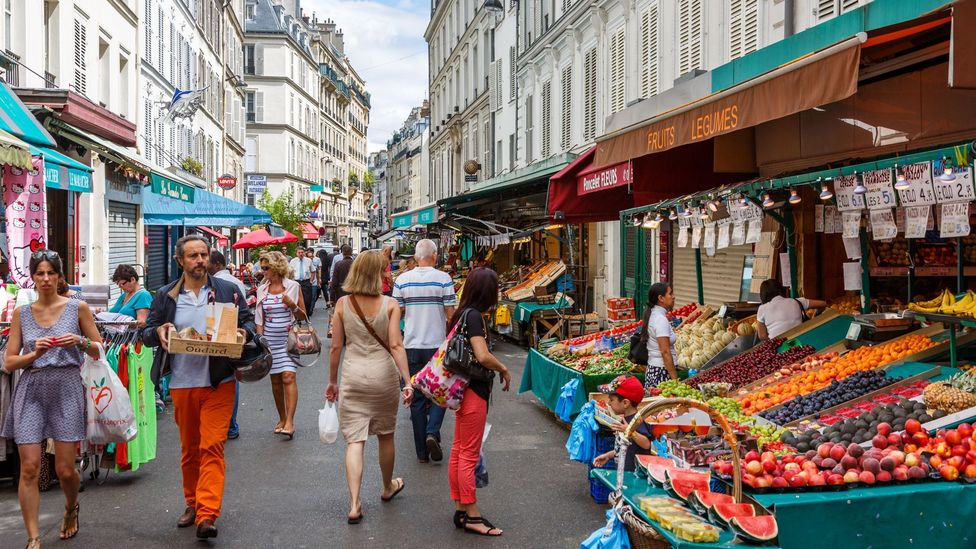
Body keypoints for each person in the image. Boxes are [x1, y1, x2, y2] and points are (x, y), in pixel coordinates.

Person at [142, 235, 256, 540]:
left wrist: (243, 333)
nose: (200, 260)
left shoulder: (228, 291)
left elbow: (250, 325)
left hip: (219, 381)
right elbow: (146, 333)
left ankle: (207, 514)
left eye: (204, 254)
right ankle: (192, 503)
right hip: (181, 383)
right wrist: (160, 330)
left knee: (212, 447)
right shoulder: (166, 295)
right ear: (180, 261)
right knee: (190, 450)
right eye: (193, 255)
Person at [1, 250, 103, 548]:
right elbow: (9, 362)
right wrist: (35, 354)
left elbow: (98, 349)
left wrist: (80, 341)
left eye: (50, 273)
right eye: (39, 274)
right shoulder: (22, 313)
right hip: (31, 388)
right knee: (30, 467)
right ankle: (33, 536)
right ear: (32, 278)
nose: (45, 279)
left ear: (59, 276)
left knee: (65, 470)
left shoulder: (77, 308)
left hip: (66, 387)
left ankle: (71, 508)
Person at [325, 250, 414, 524]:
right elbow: (397, 346)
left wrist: (332, 381)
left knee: (355, 441)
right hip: (383, 375)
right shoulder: (390, 304)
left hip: (353, 375)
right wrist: (407, 381)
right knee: (386, 435)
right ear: (377, 273)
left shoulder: (342, 304)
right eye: (384, 269)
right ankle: (387, 487)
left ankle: (354, 503)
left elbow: (336, 347)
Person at [446, 267, 512, 537]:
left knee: (459, 449)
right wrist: (503, 368)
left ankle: (461, 508)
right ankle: (472, 514)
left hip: (461, 391)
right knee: (468, 453)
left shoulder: (461, 314)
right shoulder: (474, 318)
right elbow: (482, 356)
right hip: (473, 391)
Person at [392, 239, 456, 463]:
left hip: (410, 346)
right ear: (435, 256)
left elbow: (396, 313)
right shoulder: (444, 279)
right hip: (436, 347)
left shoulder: (402, 280)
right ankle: (432, 431)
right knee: (440, 393)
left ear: (416, 257)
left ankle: (421, 453)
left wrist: (396, 340)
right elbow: (450, 314)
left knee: (417, 398)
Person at [255, 251, 306, 439]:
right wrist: (261, 342)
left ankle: (290, 421)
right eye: (262, 268)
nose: (263, 271)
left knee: (288, 377)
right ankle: (282, 418)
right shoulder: (262, 289)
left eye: (266, 268)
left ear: (276, 268)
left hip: (288, 340)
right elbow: (259, 319)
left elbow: (303, 316)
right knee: (275, 381)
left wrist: (292, 304)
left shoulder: (293, 286)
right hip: (269, 341)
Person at [208, 251, 248, 440]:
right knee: (230, 382)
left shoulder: (228, 286)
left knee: (227, 382)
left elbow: (244, 315)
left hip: (224, 341)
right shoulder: (237, 282)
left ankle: (228, 425)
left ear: (216, 264)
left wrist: (245, 332)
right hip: (229, 342)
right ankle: (230, 425)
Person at [591, 375, 653, 472]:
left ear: (625, 403)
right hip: (623, 472)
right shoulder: (624, 420)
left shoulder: (637, 421)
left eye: (611, 400)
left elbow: (646, 444)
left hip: (634, 475)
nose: (609, 403)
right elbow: (626, 448)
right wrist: (608, 455)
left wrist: (629, 430)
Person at [756, 279, 827, 340]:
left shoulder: (762, 309)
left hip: (779, 345)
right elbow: (823, 303)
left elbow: (762, 336)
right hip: (801, 340)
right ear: (781, 290)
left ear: (763, 295)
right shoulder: (797, 301)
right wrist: (815, 315)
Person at [643, 283, 678, 392]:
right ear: (661, 298)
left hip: (655, 369)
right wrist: (675, 380)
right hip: (661, 372)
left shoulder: (654, 315)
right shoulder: (660, 319)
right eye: (670, 293)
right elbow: (665, 352)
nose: (673, 296)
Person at [289, 247, 316, 318]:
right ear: (296, 253)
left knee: (307, 300)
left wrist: (311, 280)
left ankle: (306, 315)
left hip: (306, 282)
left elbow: (313, 271)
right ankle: (298, 317)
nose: (301, 254)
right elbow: (289, 272)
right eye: (299, 252)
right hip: (296, 282)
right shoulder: (293, 261)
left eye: (302, 252)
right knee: (297, 300)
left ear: (304, 253)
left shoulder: (308, 260)